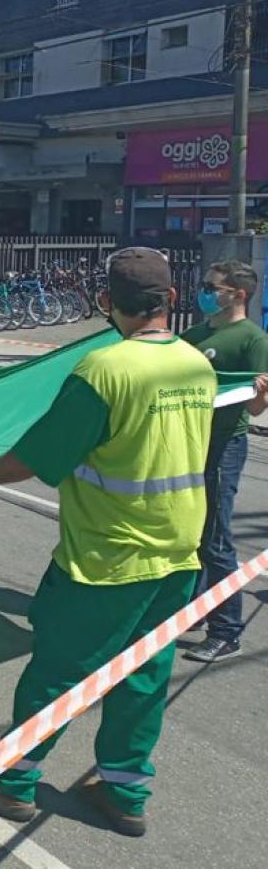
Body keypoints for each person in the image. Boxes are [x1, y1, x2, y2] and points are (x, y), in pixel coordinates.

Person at [0, 248, 216, 838]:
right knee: (144, 674)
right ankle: (125, 791)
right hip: (178, 550)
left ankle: (13, 782)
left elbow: (37, 456)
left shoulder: (104, 370)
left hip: (107, 556)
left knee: (59, 670)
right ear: (172, 299)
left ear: (104, 304)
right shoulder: (196, 363)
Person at [180, 260, 268, 662]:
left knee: (215, 540)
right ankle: (196, 609)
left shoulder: (251, 339)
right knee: (190, 536)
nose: (205, 291)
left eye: (212, 286)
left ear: (238, 294)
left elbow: (255, 409)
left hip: (222, 448)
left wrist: (262, 392)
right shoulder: (195, 334)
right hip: (186, 445)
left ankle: (227, 629)